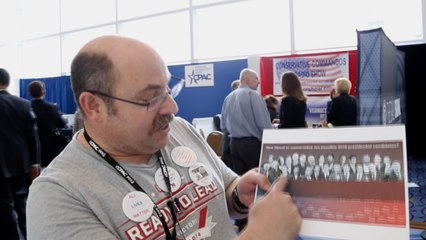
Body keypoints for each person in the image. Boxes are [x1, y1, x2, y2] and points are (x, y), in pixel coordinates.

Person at [27, 36, 301, 240]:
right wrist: (262, 235)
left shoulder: (179, 131)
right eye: (151, 98)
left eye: (168, 90)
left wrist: (239, 195)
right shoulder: (58, 195)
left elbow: (226, 188)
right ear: (94, 106)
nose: (172, 108)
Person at [221, 68, 273, 231]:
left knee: (241, 186)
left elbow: (223, 125)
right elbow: (264, 125)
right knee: (259, 184)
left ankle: (243, 222)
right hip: (252, 146)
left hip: (233, 145)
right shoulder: (253, 96)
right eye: (256, 78)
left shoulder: (229, 97)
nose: (258, 82)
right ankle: (263, 220)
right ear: (248, 79)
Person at [0, 68, 41, 240]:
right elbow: (33, 136)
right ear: (8, 82)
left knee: (5, 209)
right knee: (23, 204)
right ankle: (30, 234)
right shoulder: (24, 104)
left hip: (0, 168)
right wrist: (35, 162)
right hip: (22, 164)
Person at [28, 80, 69, 168]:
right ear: (43, 92)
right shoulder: (52, 107)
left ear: (30, 93)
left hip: (31, 149)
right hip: (50, 148)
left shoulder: (26, 107)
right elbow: (62, 124)